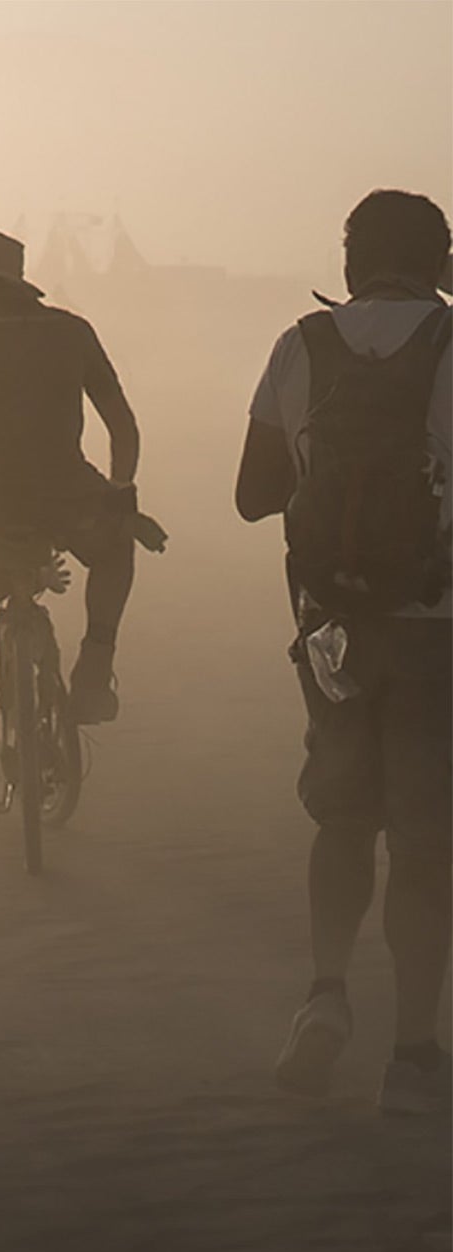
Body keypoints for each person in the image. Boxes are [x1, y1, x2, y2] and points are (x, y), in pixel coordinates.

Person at [237, 189, 450, 1116]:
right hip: (437, 633)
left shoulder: (301, 345)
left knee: (342, 819)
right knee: (426, 842)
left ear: (353, 258)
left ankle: (325, 998)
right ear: (441, 258)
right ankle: (412, 1049)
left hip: (331, 632)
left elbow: (253, 495)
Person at [0, 227, 142, 808]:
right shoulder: (71, 331)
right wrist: (121, 489)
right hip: (64, 493)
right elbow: (122, 423)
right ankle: (95, 666)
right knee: (117, 544)